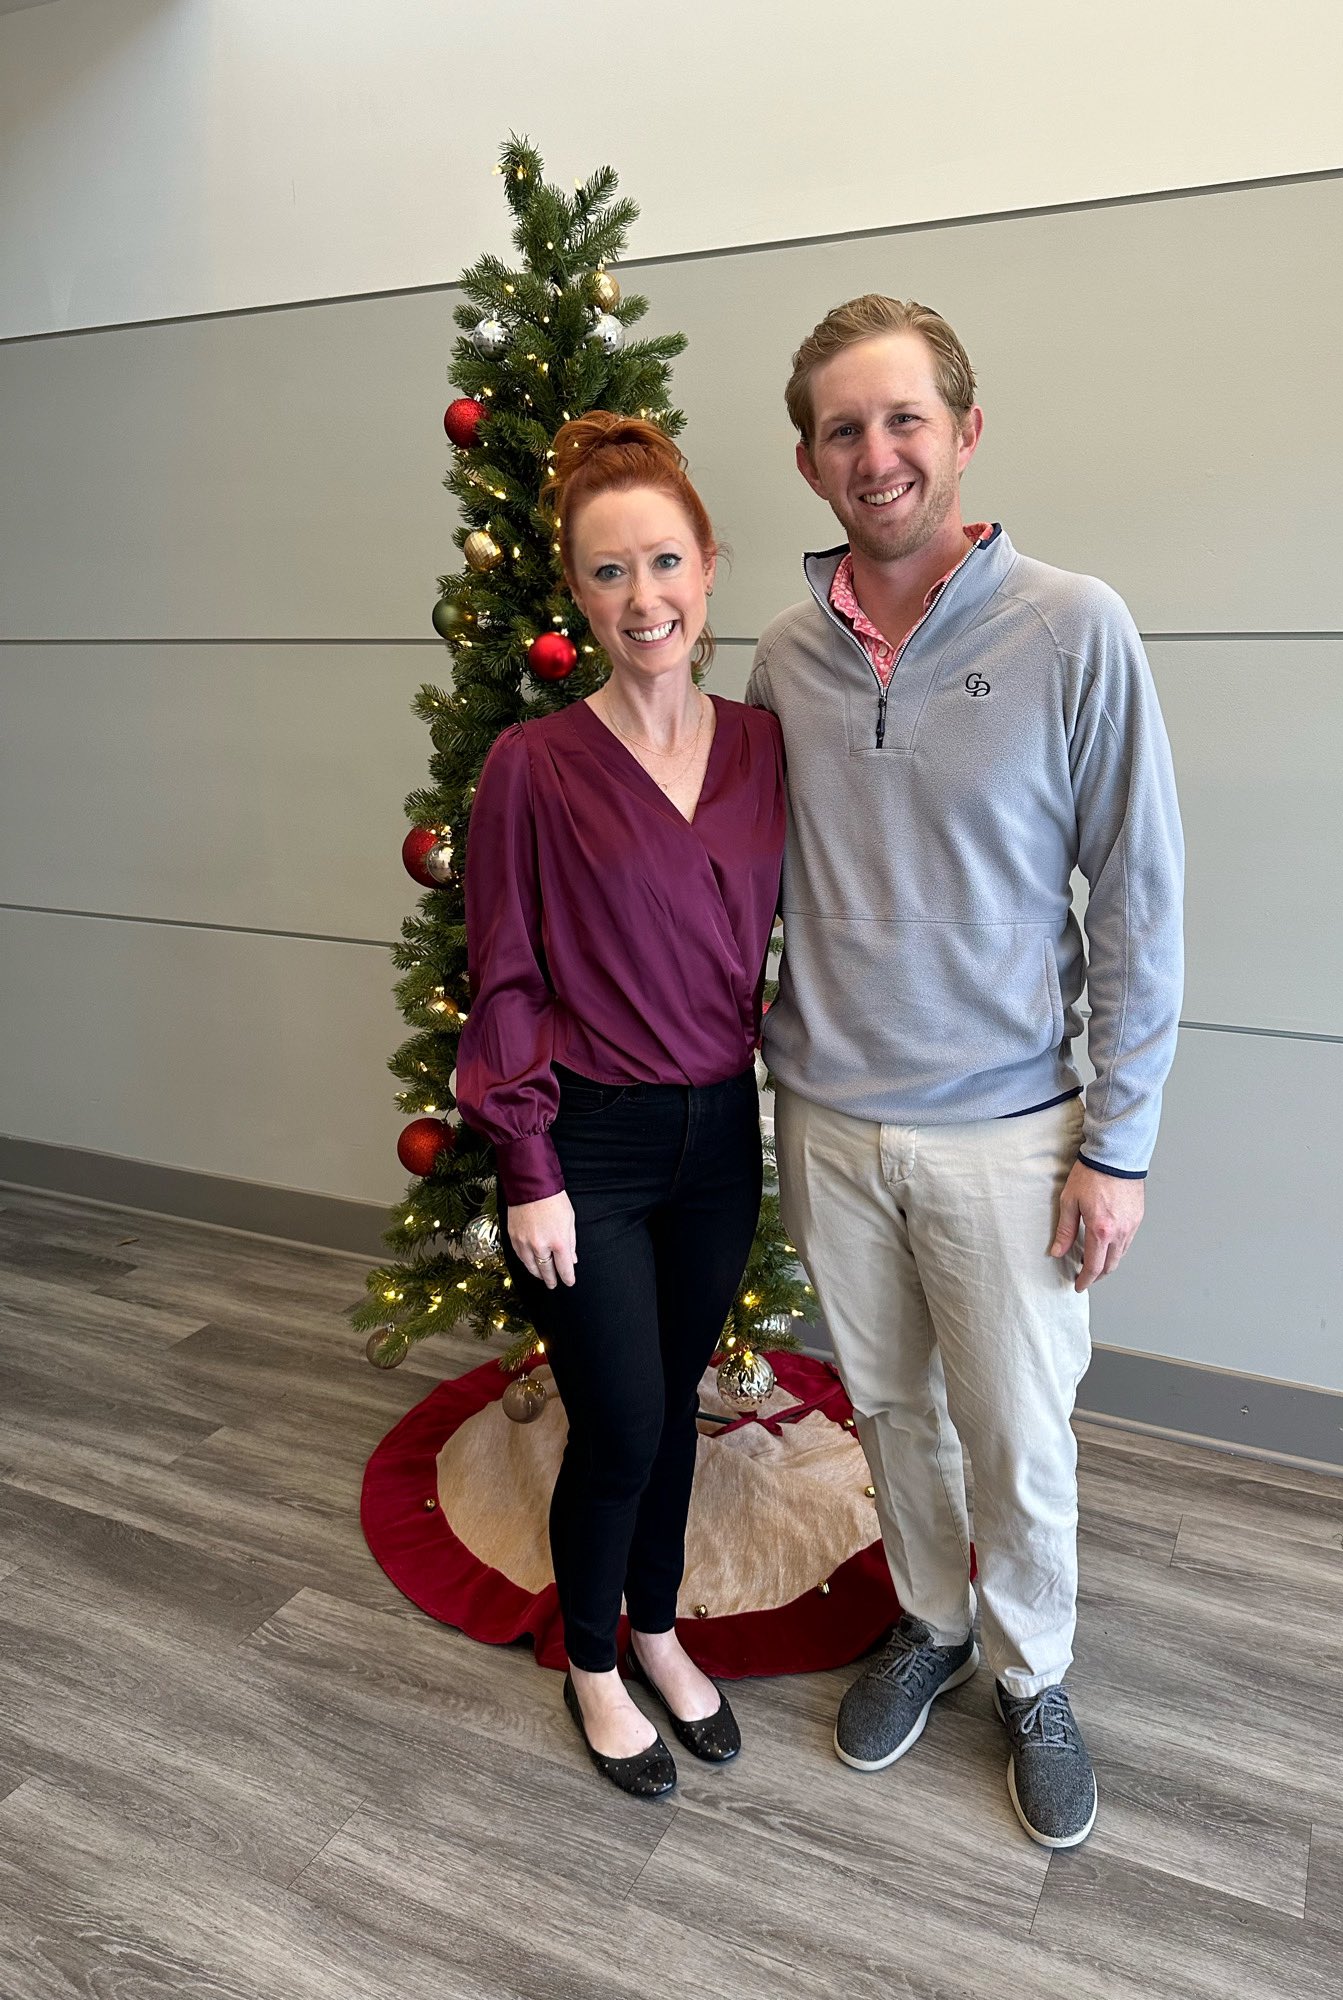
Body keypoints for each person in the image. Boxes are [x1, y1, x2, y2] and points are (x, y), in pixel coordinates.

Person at [747, 295, 1184, 1849]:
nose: (877, 453)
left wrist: (1117, 1145)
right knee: (890, 1412)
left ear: (965, 431)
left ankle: (1033, 1671)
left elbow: (1138, 897)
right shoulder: (782, 658)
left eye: (904, 419)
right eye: (844, 430)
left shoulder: (1074, 626)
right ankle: (931, 1621)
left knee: (1017, 1433)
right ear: (811, 462)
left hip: (1010, 1131)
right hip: (829, 1119)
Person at [456, 413, 786, 1799]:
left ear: (706, 567)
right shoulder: (533, 766)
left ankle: (657, 1626)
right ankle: (591, 1657)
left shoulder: (765, 747)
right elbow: (505, 973)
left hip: (720, 1138)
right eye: (609, 572)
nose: (643, 597)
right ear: (577, 595)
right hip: (587, 1144)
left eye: (663, 562)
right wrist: (528, 1165)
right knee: (623, 1423)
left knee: (679, 1409)